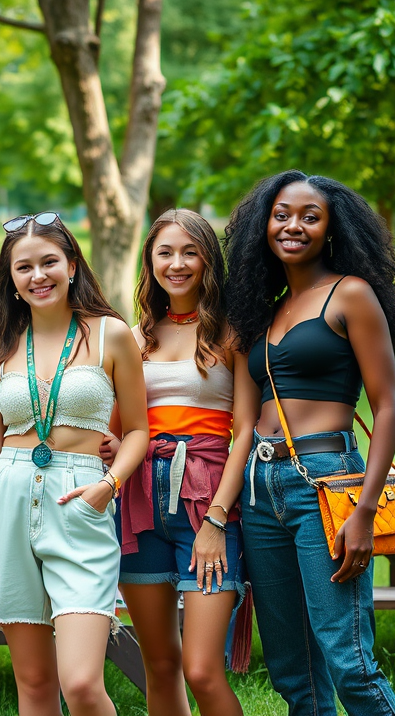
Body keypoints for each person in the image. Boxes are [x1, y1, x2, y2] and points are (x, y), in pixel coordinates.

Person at [225, 171, 395, 716]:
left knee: (349, 663)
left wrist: (365, 507)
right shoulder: (265, 307)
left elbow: (387, 409)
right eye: (282, 213)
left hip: (326, 481)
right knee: (294, 673)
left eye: (311, 216)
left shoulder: (349, 294)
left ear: (333, 228)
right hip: (261, 492)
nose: (293, 225)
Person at [0, 211, 149, 716]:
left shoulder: (111, 334)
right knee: (36, 685)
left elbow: (137, 431)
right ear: (11, 280)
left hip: (81, 500)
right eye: (24, 268)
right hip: (8, 499)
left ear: (71, 265)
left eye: (49, 262)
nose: (38, 276)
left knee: (83, 683)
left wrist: (109, 485)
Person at [108, 210, 252, 716]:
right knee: (160, 665)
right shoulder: (134, 335)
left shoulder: (234, 335)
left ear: (208, 260)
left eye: (190, 251)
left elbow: (247, 433)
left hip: (207, 501)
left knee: (202, 670)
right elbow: (118, 425)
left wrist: (216, 519)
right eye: (165, 252)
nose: (177, 263)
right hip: (140, 504)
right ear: (150, 260)